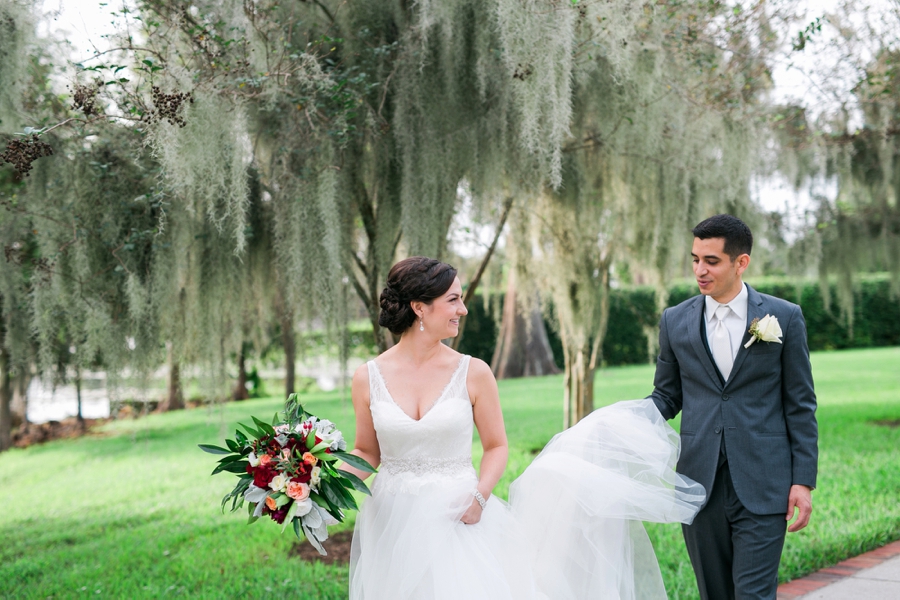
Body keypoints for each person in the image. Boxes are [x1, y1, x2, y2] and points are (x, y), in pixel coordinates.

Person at [341, 256, 706, 599]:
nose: (463, 310)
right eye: (453, 300)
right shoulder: (367, 377)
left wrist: (480, 497)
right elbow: (367, 452)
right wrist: (317, 479)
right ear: (420, 307)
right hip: (390, 519)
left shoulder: (474, 372)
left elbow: (497, 446)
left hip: (460, 514)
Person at [649, 214, 818, 600]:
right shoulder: (675, 321)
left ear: (740, 262)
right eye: (695, 259)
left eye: (711, 261)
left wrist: (803, 481)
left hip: (764, 481)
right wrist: (624, 420)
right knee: (715, 594)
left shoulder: (785, 317)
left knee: (754, 595)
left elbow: (801, 404)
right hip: (698, 482)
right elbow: (666, 396)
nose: (699, 270)